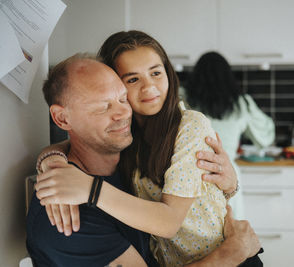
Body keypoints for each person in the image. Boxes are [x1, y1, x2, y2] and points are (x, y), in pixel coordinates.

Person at [35, 31, 263, 266]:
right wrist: (52, 161)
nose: (148, 88)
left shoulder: (188, 125)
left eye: (156, 73)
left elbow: (169, 222)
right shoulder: (128, 134)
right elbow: (79, 144)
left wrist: (90, 189)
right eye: (132, 80)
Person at [183, 51, 275, 219]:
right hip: (227, 175)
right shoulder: (241, 103)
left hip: (189, 175)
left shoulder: (183, 99)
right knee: (230, 231)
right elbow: (266, 137)